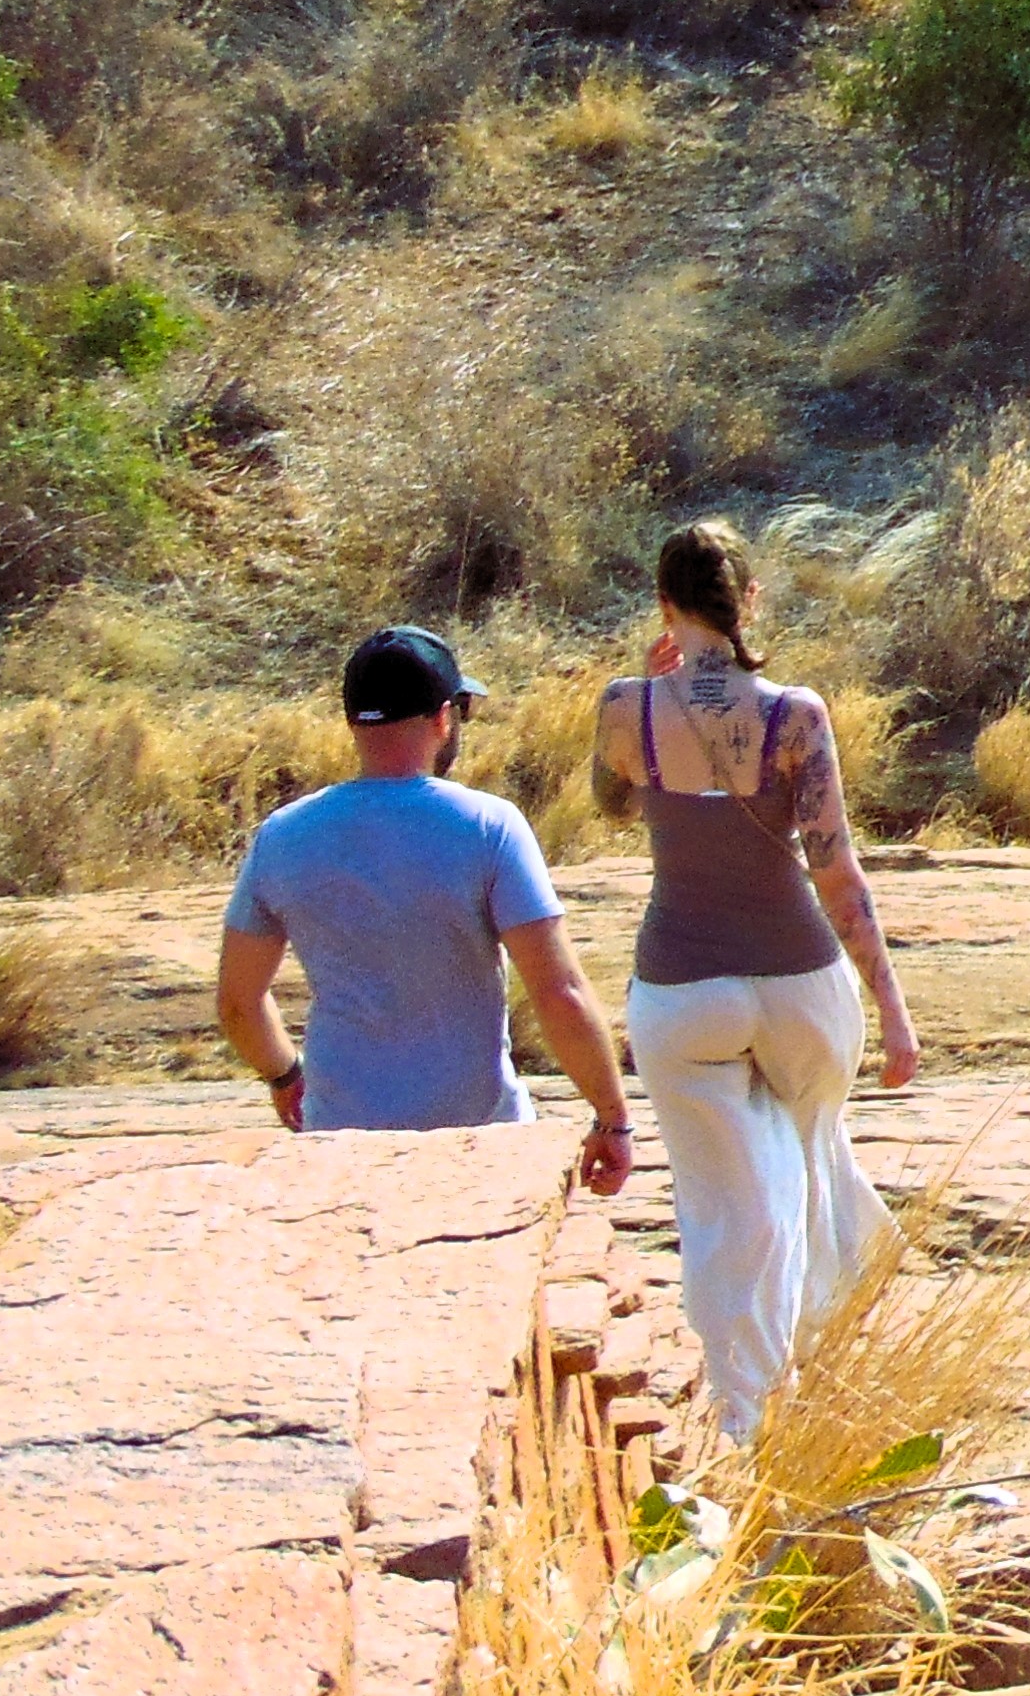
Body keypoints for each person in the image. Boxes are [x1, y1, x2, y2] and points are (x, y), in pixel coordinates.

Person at [593, 522, 921, 1441]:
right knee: (813, 1152)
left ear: (665, 606)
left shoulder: (626, 707)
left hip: (681, 987)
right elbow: (837, 872)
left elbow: (610, 800)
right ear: (750, 603)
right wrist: (894, 1014)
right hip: (798, 984)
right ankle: (836, 1345)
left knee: (724, 1202)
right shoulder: (796, 715)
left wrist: (650, 676)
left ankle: (747, 1402)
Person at [219, 625, 634, 1199]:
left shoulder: (283, 835)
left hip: (340, 1146)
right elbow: (559, 992)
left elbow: (239, 1005)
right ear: (443, 718)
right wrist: (613, 1117)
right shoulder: (490, 826)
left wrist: (285, 1074)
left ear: (353, 723)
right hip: (480, 1146)